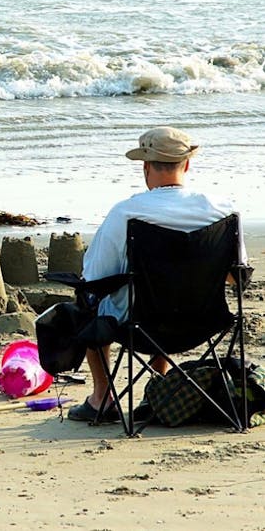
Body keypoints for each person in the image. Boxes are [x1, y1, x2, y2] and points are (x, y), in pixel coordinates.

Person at [67, 126, 248, 422]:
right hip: (204, 322)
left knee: (92, 303)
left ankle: (102, 397)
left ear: (146, 166)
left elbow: (96, 277)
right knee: (171, 288)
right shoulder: (224, 211)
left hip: (140, 325)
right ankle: (158, 385)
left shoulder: (126, 213)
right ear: (187, 164)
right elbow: (237, 276)